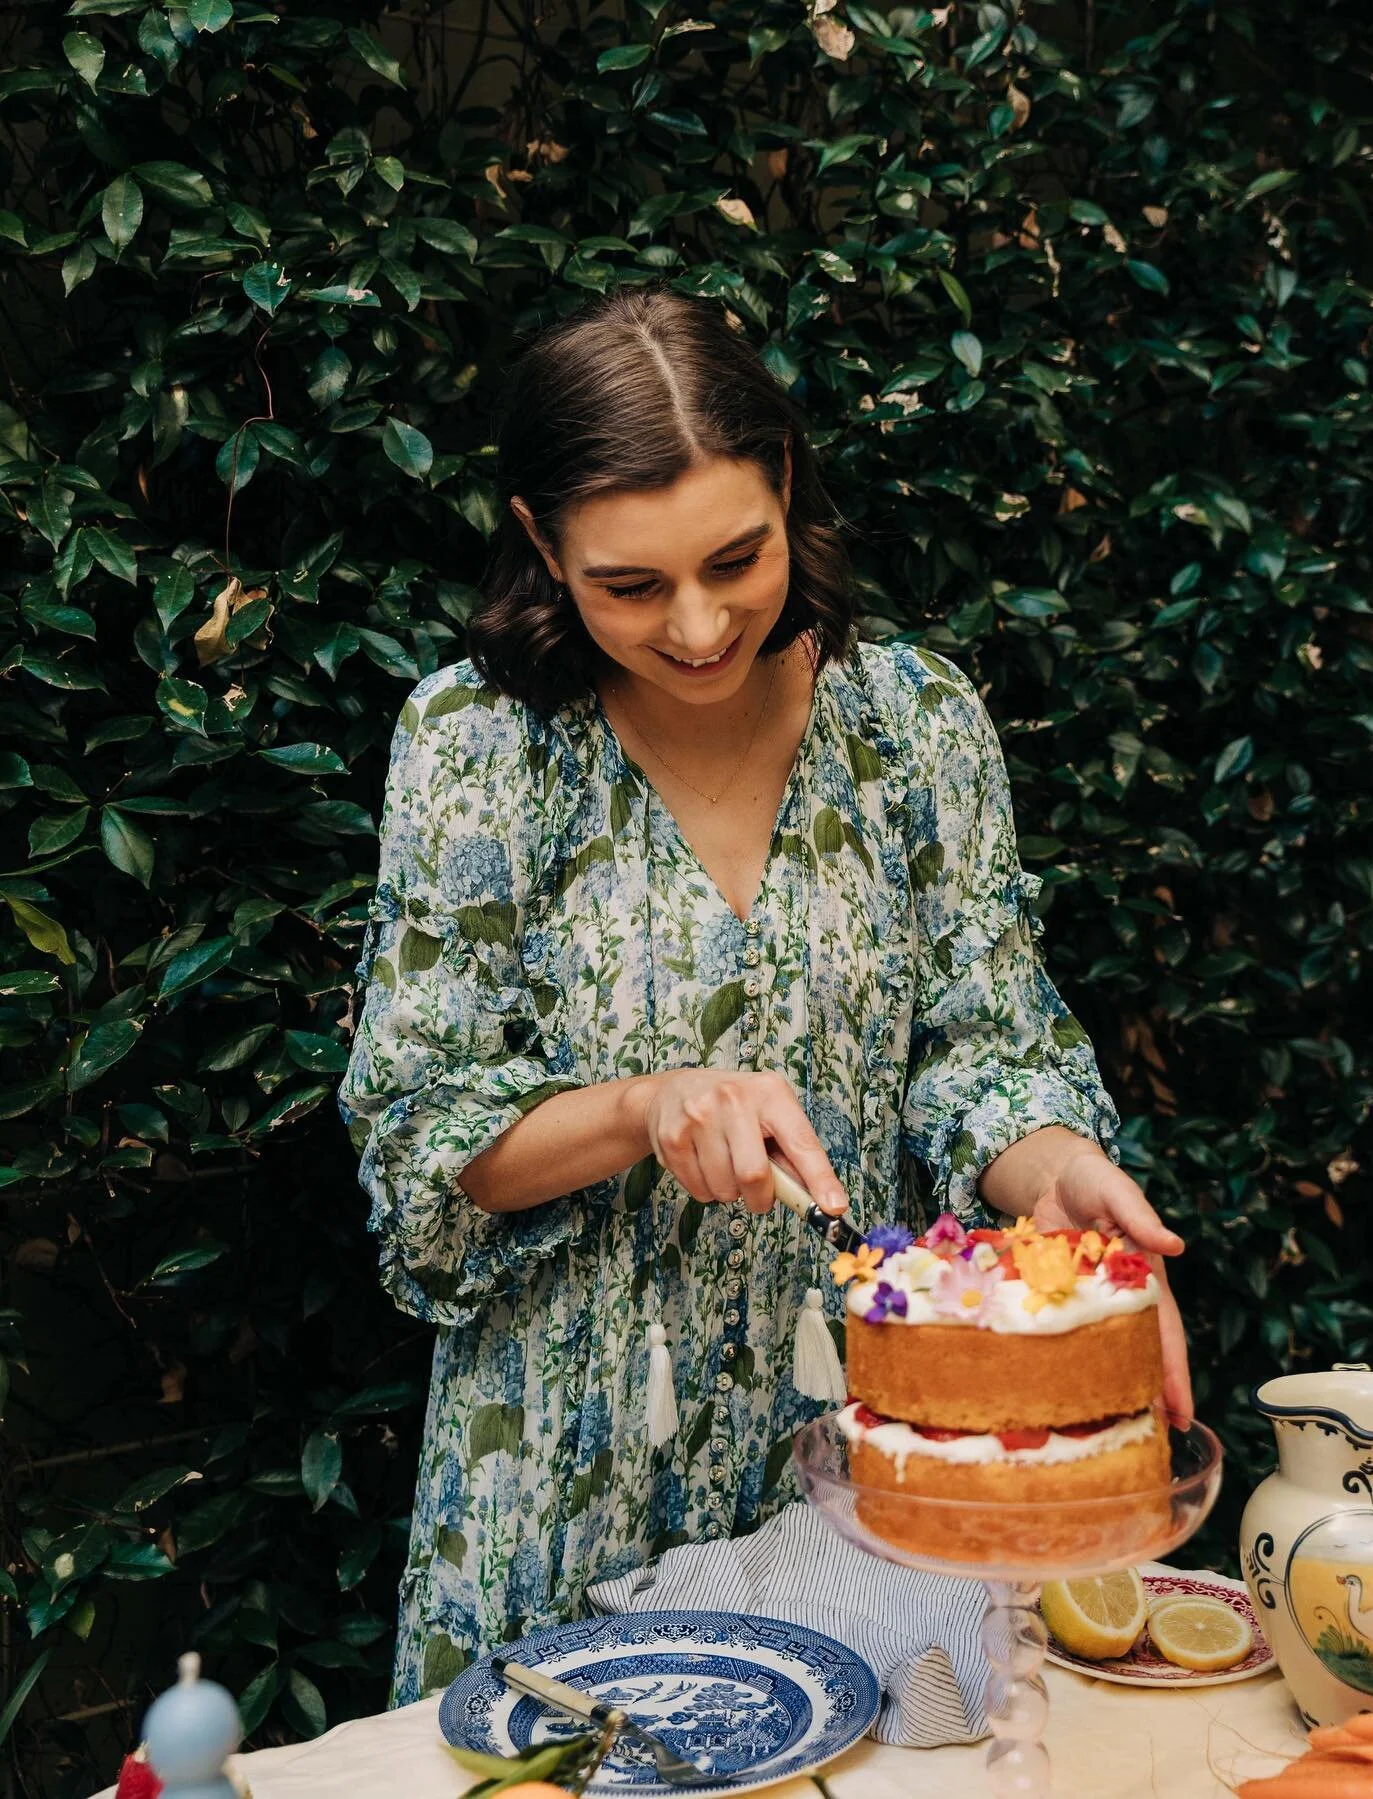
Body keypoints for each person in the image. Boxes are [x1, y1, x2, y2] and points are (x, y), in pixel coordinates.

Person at [338, 285, 1193, 1704]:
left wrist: (1061, 1172)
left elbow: (987, 1046)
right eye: (628, 584)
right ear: (540, 541)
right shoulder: (475, 747)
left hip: (869, 1489)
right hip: (560, 1473)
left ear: (789, 481)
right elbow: (422, 1141)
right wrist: (646, 1106)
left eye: (738, 558)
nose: (695, 624)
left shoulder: (915, 726)